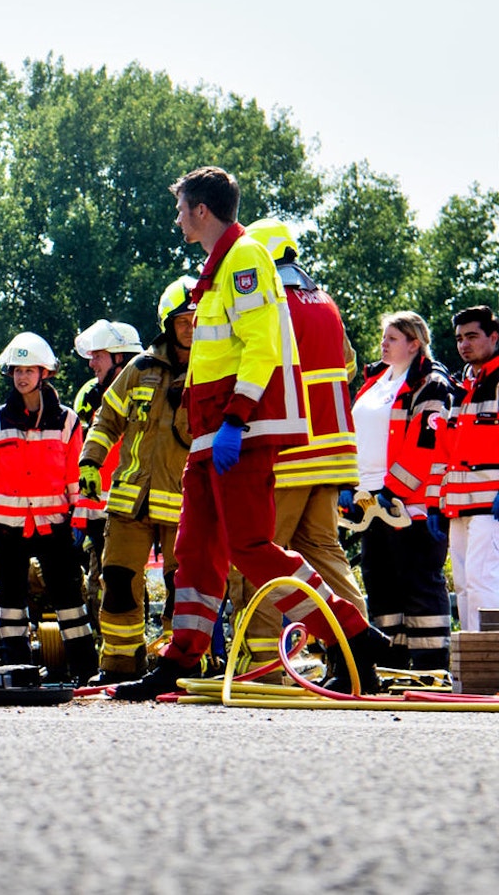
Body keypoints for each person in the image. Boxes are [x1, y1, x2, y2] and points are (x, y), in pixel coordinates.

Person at [114, 166, 389, 701]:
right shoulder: (219, 267)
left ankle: (349, 634)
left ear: (201, 210)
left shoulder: (244, 258)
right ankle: (180, 657)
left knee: (252, 549)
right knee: (195, 551)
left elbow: (262, 345)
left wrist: (236, 419)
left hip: (240, 430)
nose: (176, 219)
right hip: (211, 433)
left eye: (180, 208)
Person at [234, 218, 368, 673]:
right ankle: (357, 655)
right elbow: (347, 366)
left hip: (287, 452)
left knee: (263, 554)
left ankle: (262, 666)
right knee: (326, 555)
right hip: (333, 454)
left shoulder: (272, 302)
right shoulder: (325, 302)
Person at [79, 278, 195, 683]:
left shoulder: (213, 367)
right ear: (168, 324)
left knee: (183, 590)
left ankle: (176, 666)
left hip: (185, 503)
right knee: (117, 581)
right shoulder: (141, 368)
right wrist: (90, 461)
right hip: (130, 502)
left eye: (197, 320)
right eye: (182, 321)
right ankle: (118, 664)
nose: (190, 327)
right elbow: (106, 418)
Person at [0, 332, 94, 681]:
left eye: (29, 370)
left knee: (69, 599)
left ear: (44, 374)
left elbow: (75, 476)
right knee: (11, 602)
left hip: (53, 524)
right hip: (5, 527)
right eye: (17, 370)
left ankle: (84, 670)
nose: (22, 377)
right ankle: (18, 672)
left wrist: (80, 520)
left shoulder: (68, 421)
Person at [348, 312, 456, 668]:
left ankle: (430, 666)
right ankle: (391, 663)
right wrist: (349, 485)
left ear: (414, 343)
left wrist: (391, 491)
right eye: (384, 337)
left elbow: (425, 445)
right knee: (380, 583)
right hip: (369, 502)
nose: (383, 344)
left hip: (409, 504)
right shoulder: (375, 381)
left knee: (418, 582)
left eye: (392, 338)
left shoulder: (431, 383)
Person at [70, 319, 143, 629]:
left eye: (98, 356)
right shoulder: (90, 396)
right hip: (98, 511)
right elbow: (79, 450)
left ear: (119, 358)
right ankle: (108, 642)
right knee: (101, 582)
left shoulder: (145, 393)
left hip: (137, 505)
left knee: (130, 580)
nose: (91, 364)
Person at [444, 305, 499, 630]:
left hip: (490, 505)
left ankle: (491, 656)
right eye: (459, 338)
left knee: (484, 583)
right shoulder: (462, 385)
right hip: (459, 506)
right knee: (465, 587)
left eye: (472, 336)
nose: (464, 344)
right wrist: (438, 503)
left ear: (494, 337)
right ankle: (472, 658)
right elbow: (448, 450)